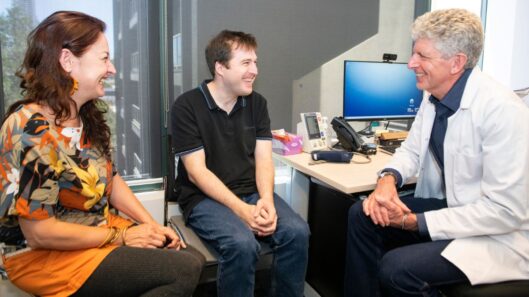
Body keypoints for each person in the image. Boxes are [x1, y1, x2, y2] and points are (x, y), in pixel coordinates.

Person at [0, 11, 203, 297]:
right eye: (104, 58)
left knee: (190, 256)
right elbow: (38, 232)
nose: (113, 69)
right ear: (67, 61)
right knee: (182, 269)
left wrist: (151, 226)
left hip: (94, 231)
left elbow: (112, 180)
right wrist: (122, 236)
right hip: (41, 255)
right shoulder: (31, 128)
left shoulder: (84, 116)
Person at [344, 8, 529, 297]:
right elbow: (411, 151)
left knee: (396, 269)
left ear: (456, 62)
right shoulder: (434, 97)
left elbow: (505, 212)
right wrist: (387, 180)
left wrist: (414, 222)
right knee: (363, 214)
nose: (410, 64)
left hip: (498, 232)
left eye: (422, 56)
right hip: (458, 209)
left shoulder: (503, 111)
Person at [171, 30, 310, 297]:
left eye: (255, 62)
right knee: (242, 243)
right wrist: (242, 210)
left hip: (251, 191)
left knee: (297, 232)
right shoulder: (187, 106)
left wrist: (267, 200)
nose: (254, 70)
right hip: (203, 198)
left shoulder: (257, 104)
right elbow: (197, 172)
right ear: (220, 68)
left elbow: (263, 160)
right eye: (246, 63)